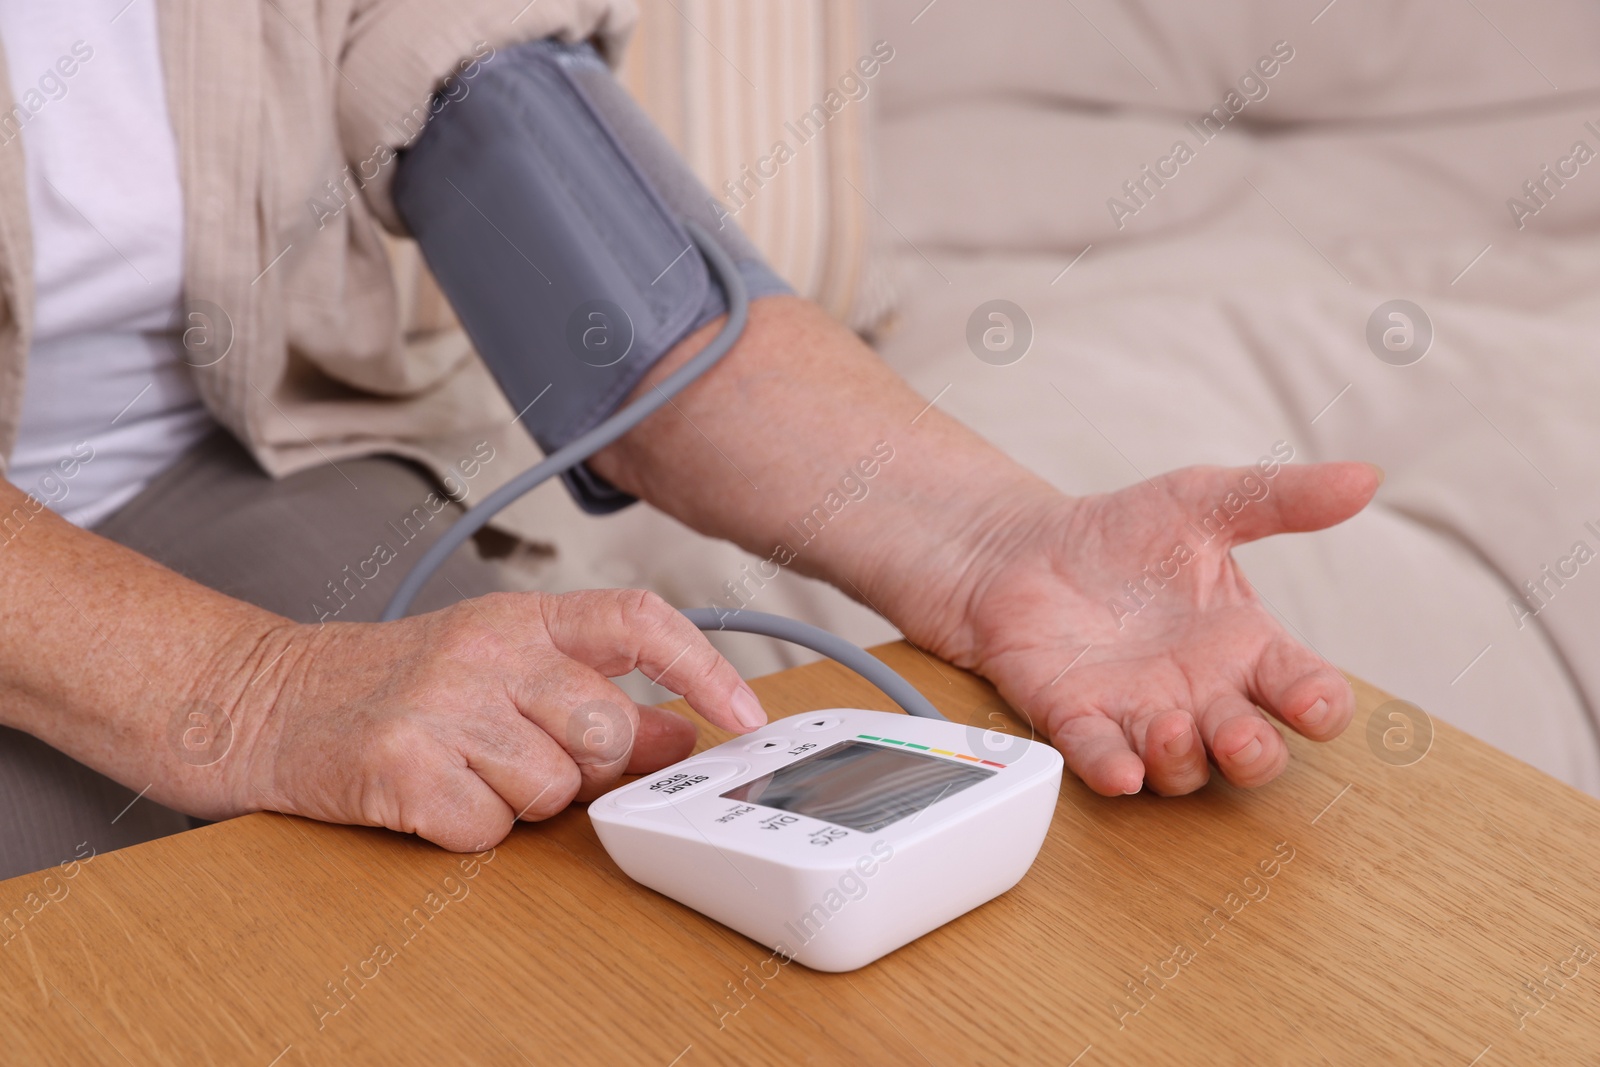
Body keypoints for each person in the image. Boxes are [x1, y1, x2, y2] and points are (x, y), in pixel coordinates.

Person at [0, 0, 1378, 879]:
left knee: (509, 851)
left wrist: (994, 542)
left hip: (205, 454)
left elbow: (595, 268)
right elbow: (266, 708)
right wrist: (261, 697)